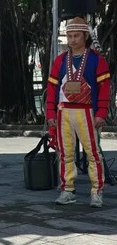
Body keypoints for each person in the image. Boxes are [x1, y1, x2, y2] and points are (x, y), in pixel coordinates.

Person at [46, 17, 110, 207]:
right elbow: (51, 88)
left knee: (93, 153)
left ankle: (96, 192)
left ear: (85, 36)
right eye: (69, 36)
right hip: (63, 112)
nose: (72, 40)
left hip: (87, 112)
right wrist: (50, 113)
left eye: (76, 36)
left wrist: (101, 113)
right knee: (65, 153)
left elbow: (104, 87)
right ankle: (67, 190)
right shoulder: (60, 60)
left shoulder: (96, 60)